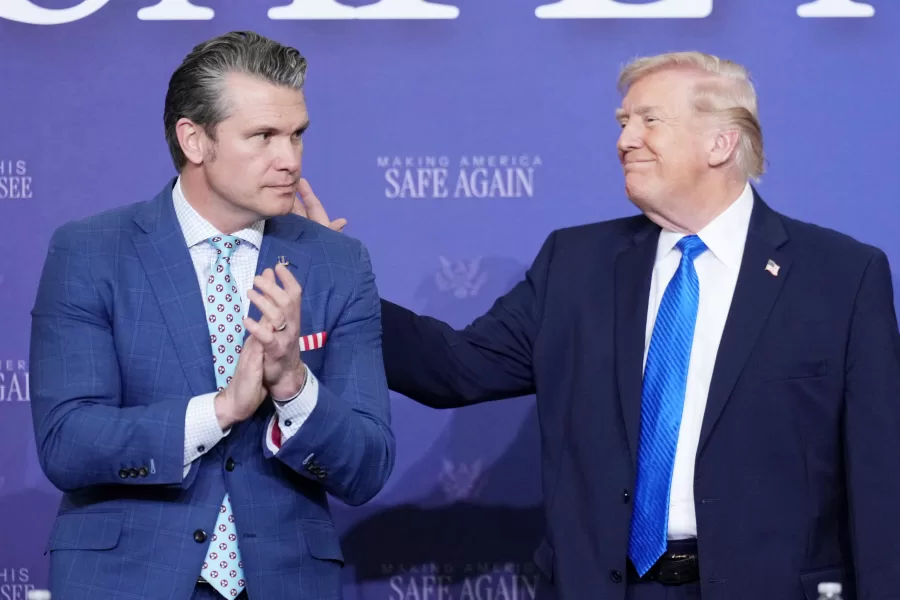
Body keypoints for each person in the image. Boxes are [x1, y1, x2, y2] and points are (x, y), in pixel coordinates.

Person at [294, 51, 900, 600]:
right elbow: (455, 367)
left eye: (648, 121)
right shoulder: (575, 264)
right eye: (622, 123)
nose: (625, 140)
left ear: (720, 142)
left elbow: (880, 481)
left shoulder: (841, 277)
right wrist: (339, 283)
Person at [29, 31, 394, 600]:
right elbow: (67, 443)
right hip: (127, 581)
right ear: (195, 140)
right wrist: (222, 410)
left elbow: (367, 468)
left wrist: (295, 388)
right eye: (264, 136)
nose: (290, 160)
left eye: (297, 135)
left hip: (284, 580)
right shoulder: (92, 251)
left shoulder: (337, 263)